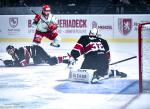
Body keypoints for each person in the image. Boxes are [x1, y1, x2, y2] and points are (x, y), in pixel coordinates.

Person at [3, 45, 68, 67]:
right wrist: (12, 62)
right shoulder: (15, 54)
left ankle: (65, 59)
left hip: (37, 50)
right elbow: (21, 60)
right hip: (35, 55)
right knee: (38, 62)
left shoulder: (17, 53)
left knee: (50, 61)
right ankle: (45, 59)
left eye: (11, 50)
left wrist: (12, 63)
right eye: (8, 52)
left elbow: (24, 64)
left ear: (14, 49)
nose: (10, 52)